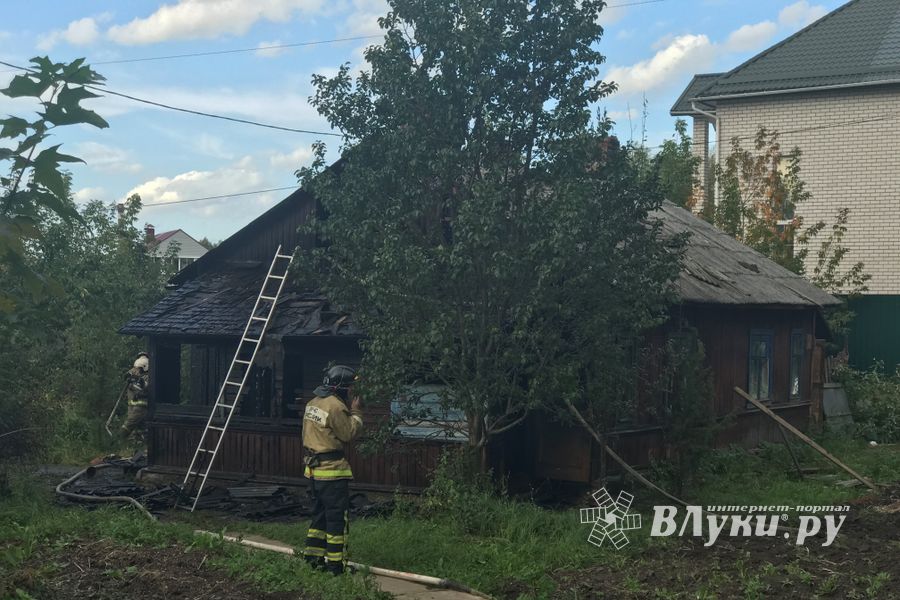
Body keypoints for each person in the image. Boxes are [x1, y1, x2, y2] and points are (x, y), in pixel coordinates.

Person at [302, 365, 363, 575]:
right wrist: (356, 412)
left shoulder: (312, 403)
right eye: (351, 388)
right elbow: (348, 434)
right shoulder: (335, 406)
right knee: (337, 519)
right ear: (342, 388)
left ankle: (312, 558)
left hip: (314, 472)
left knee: (319, 516)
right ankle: (336, 566)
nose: (352, 392)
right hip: (332, 473)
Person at [121, 352, 150, 445]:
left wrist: (140, 381)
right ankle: (140, 445)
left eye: (139, 369)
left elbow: (147, 387)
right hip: (132, 405)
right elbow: (126, 376)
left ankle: (117, 439)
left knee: (129, 424)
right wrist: (128, 376)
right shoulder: (135, 369)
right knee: (140, 428)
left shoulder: (148, 376)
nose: (137, 370)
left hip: (141, 406)